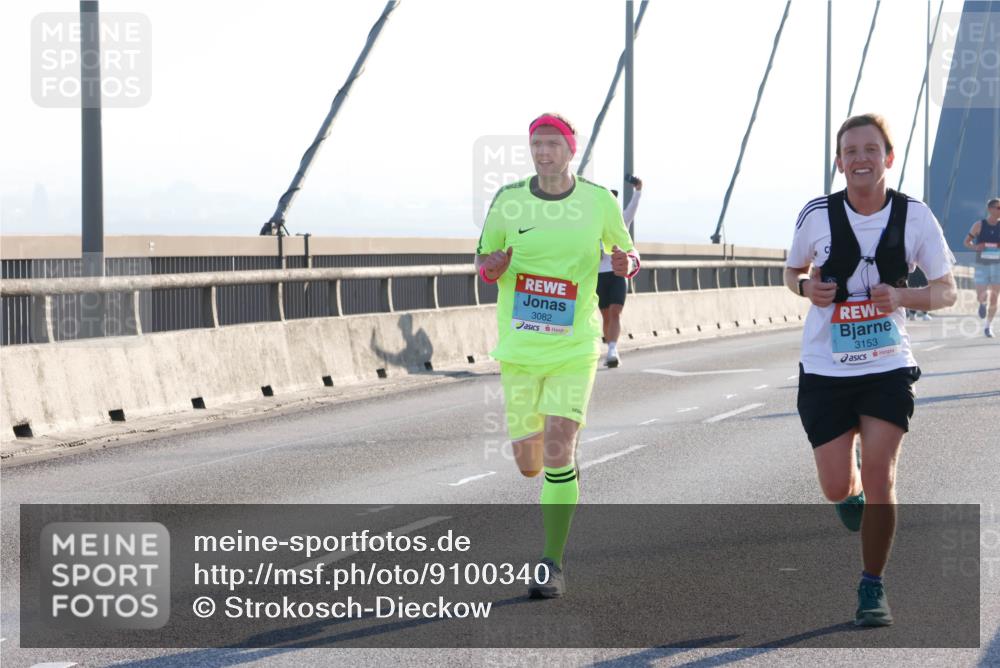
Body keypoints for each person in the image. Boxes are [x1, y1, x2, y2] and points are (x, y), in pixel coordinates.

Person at [784, 113, 957, 627]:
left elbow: (946, 290)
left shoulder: (916, 216)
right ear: (839, 163)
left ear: (889, 157)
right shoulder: (816, 214)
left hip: (887, 363)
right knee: (839, 487)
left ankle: (872, 586)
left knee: (882, 475)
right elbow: (790, 271)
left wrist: (901, 295)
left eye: (870, 149)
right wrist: (803, 288)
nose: (860, 158)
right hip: (825, 368)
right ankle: (849, 493)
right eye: (850, 151)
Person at [476, 113, 639, 598]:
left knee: (557, 452)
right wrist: (494, 266)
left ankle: (551, 562)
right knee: (529, 463)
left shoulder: (599, 201)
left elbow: (628, 253)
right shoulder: (508, 200)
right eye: (536, 145)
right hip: (521, 348)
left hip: (575, 345)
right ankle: (553, 484)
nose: (543, 152)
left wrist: (626, 263)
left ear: (571, 150)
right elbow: (483, 261)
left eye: (552, 144)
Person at [598, 176, 643, 367]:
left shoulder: (622, 221)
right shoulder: (593, 225)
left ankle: (612, 350)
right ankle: (609, 346)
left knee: (616, 312)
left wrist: (638, 191)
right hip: (599, 275)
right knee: (606, 315)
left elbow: (632, 207)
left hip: (618, 274)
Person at [963, 197, 1000, 337]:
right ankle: (982, 304)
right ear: (990, 209)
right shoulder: (979, 225)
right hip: (982, 265)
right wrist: (977, 246)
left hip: (997, 266)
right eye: (998, 208)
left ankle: (988, 326)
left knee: (995, 298)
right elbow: (966, 242)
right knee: (981, 294)